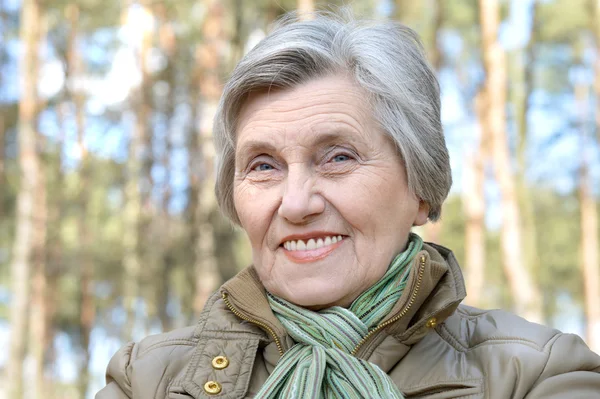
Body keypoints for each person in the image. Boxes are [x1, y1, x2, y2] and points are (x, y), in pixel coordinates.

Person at [96, 11, 600, 399]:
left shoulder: (537, 375)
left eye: (338, 157)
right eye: (264, 166)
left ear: (421, 188)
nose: (295, 204)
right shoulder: (147, 379)